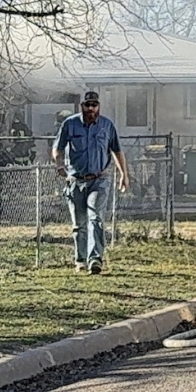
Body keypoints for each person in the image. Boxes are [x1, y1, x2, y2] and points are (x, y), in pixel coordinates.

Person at [52, 91, 129, 274]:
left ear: (98, 106)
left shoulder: (106, 126)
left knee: (96, 217)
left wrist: (124, 174)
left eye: (94, 105)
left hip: (99, 180)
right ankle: (80, 260)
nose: (91, 108)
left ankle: (95, 259)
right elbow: (58, 148)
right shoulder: (70, 125)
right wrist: (59, 164)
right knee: (79, 224)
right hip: (76, 180)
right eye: (87, 105)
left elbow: (117, 151)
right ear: (82, 106)